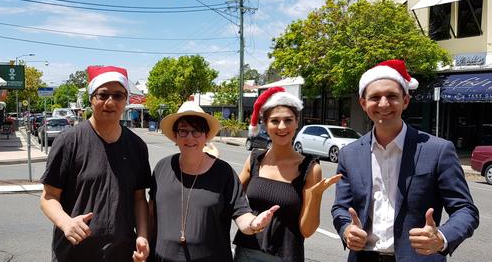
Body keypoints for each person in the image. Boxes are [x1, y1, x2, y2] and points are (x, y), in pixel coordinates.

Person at [332, 59, 479, 262]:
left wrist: (441, 237)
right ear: (363, 103)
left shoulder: (438, 150)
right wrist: (346, 229)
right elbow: (340, 207)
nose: (384, 104)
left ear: (406, 100)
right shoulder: (349, 153)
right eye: (375, 97)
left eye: (392, 96)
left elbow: (465, 210)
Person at [40, 65, 151, 262]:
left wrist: (142, 235)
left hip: (122, 254)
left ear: (125, 100)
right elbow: (48, 197)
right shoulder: (68, 141)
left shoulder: (137, 146)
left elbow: (139, 199)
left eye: (118, 95)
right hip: (74, 253)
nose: (110, 102)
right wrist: (65, 223)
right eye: (103, 95)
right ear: (91, 99)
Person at [150, 101, 279, 262]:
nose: (190, 137)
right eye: (183, 131)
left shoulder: (224, 173)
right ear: (175, 136)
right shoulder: (162, 167)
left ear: (206, 135)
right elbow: (152, 215)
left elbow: (241, 213)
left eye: (196, 131)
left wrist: (254, 224)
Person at [233, 86, 341, 262]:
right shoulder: (254, 160)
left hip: (286, 256)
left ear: (297, 122)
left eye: (288, 120)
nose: (282, 126)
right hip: (247, 251)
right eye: (275, 121)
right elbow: (231, 201)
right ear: (265, 124)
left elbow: (307, 230)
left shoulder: (310, 168)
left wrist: (315, 194)